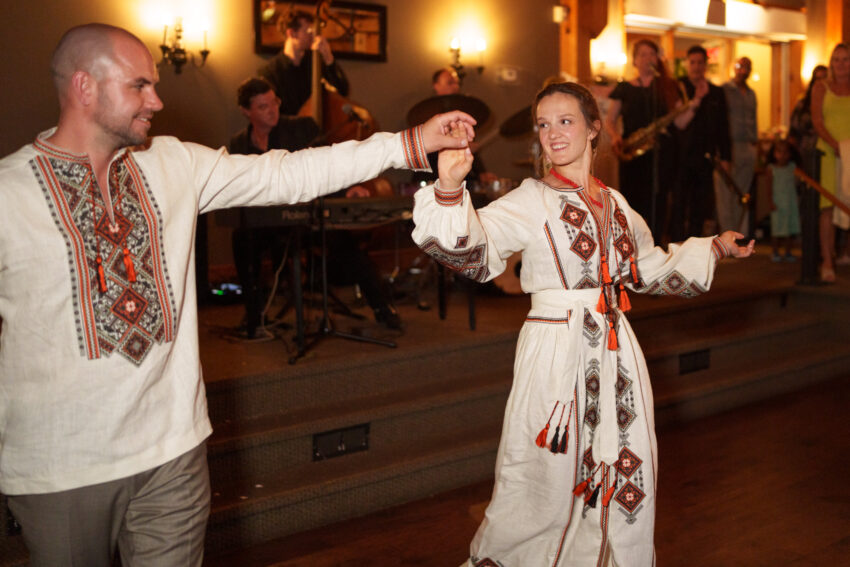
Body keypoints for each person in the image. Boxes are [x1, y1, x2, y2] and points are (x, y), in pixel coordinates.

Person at [0, 23, 475, 567]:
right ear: (84, 87)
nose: (156, 100)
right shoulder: (9, 193)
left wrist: (408, 143)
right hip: (61, 467)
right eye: (139, 86)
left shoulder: (173, 162)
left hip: (173, 452)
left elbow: (290, 174)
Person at [411, 81, 753, 566]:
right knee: (543, 481)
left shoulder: (616, 203)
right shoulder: (530, 199)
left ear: (594, 128)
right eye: (543, 124)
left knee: (621, 472)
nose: (552, 133)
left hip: (616, 354)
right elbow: (471, 252)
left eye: (565, 121)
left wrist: (715, 247)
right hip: (554, 352)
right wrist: (448, 188)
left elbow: (647, 268)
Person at [228, 77, 320, 339]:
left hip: (298, 215)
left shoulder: (298, 129)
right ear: (247, 112)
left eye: (274, 102)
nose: (272, 110)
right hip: (261, 220)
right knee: (241, 239)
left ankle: (382, 308)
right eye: (263, 106)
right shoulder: (238, 144)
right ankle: (255, 314)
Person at [605, 39, 682, 239]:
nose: (648, 58)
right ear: (634, 60)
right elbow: (610, 120)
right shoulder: (624, 88)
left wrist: (693, 104)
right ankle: (630, 248)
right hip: (633, 154)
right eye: (643, 54)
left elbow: (679, 122)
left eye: (652, 54)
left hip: (660, 154)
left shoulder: (667, 86)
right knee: (631, 203)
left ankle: (656, 245)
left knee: (659, 201)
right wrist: (615, 138)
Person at [672, 45, 732, 241]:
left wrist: (725, 156)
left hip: (705, 157)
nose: (696, 67)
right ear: (687, 64)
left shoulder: (716, 92)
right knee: (679, 204)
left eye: (700, 63)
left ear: (705, 66)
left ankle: (694, 249)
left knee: (701, 205)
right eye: (693, 62)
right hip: (679, 156)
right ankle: (677, 246)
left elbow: (723, 126)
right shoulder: (678, 87)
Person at [259, 8, 349, 116]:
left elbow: (343, 91)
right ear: (292, 33)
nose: (313, 36)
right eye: (308, 31)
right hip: (288, 131)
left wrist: (328, 57)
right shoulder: (270, 72)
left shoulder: (315, 62)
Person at [811, 43, 850, 282]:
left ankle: (846, 253)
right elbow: (817, 120)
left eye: (845, 59)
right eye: (836, 59)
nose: (841, 64)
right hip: (828, 152)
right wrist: (836, 146)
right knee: (827, 206)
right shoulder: (821, 87)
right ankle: (827, 260)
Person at [719, 56, 758, 234]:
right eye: (740, 66)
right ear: (733, 68)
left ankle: (735, 234)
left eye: (747, 67)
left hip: (747, 147)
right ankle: (726, 236)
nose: (743, 70)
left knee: (741, 194)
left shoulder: (751, 94)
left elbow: (754, 120)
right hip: (729, 146)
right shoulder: (724, 91)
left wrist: (755, 146)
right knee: (725, 194)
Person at [789, 64, 828, 174]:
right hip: (805, 152)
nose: (821, 82)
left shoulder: (832, 104)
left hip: (827, 151)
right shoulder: (803, 104)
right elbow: (793, 131)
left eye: (824, 78)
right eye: (818, 78)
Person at [767, 139, 801, 262]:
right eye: (779, 152)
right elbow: (769, 187)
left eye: (785, 152)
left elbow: (798, 181)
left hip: (790, 202)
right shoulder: (771, 169)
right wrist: (770, 201)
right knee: (776, 229)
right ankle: (775, 251)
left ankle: (787, 252)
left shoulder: (792, 168)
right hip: (778, 202)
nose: (782, 155)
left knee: (789, 229)